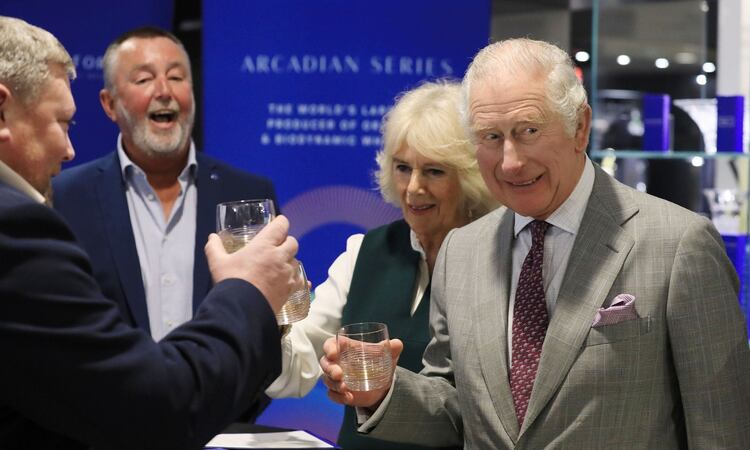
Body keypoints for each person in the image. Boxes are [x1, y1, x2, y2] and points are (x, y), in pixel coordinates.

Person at [320, 38, 750, 448]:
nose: (510, 162)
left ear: (580, 128)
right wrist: (384, 392)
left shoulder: (678, 243)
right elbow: (458, 410)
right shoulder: (463, 252)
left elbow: (724, 430)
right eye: (491, 137)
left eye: (528, 131)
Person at [0, 16, 300, 449]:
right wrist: (245, 288)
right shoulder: (25, 223)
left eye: (178, 77)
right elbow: (154, 401)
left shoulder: (249, 190)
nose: (69, 149)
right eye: (62, 123)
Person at [265, 81, 497, 448]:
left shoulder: (502, 261)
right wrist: (271, 313)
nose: (413, 188)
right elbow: (293, 371)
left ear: (469, 176)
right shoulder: (364, 252)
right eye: (403, 168)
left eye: (434, 171)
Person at [53, 27, 279, 342]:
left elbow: (270, 321)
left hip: (223, 390)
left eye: (176, 77)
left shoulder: (248, 194)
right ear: (110, 104)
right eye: (144, 80)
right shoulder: (66, 198)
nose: (164, 91)